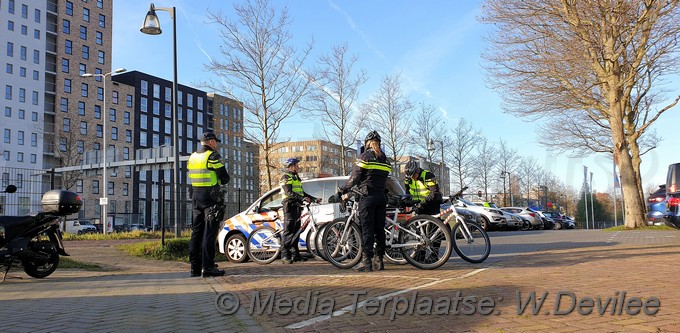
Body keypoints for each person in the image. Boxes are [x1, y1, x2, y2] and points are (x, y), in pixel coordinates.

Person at [339, 131, 392, 272]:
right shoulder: (385, 160)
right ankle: (379, 260)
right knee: (379, 229)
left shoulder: (365, 156)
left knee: (367, 230)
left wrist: (344, 189)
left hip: (367, 198)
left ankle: (366, 261)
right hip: (381, 197)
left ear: (367, 143)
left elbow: (355, 177)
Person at [187, 131, 230, 277]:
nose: (216, 144)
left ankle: (195, 268)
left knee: (196, 232)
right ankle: (208, 267)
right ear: (211, 142)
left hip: (195, 197)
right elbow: (225, 178)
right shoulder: (213, 156)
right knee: (210, 233)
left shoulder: (192, 157)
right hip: (210, 197)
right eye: (215, 142)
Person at [279, 158, 320, 264]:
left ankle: (295, 254)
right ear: (291, 166)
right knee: (288, 232)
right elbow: (288, 192)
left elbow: (302, 193)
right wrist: (302, 199)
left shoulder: (296, 178)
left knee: (297, 231)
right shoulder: (286, 177)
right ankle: (284, 254)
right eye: (297, 165)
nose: (298, 167)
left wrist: (313, 198)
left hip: (297, 206)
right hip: (289, 206)